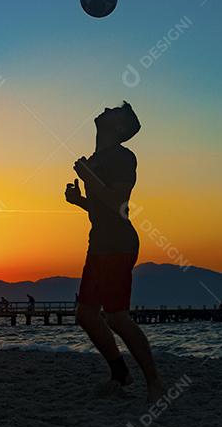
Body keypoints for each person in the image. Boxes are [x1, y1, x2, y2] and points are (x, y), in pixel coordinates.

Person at [65, 101, 163, 402]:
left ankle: (155, 385)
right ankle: (120, 373)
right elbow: (101, 206)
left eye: (114, 112)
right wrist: (79, 201)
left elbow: (118, 203)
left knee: (117, 317)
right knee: (86, 314)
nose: (106, 109)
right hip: (99, 243)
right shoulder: (97, 158)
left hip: (118, 244)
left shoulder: (123, 157)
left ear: (119, 128)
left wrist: (87, 175)